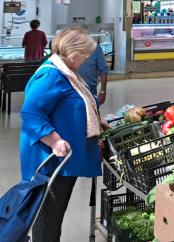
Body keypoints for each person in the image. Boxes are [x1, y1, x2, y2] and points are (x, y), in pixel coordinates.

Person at [19, 28, 111, 241]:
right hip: (51, 159)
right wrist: (54, 140)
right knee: (48, 214)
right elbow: (31, 113)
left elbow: (72, 106)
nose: (87, 59)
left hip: (65, 157)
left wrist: (97, 120)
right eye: (85, 54)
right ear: (72, 53)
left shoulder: (67, 73)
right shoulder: (51, 75)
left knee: (55, 210)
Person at [71, 24, 109, 105]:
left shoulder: (95, 48)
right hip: (71, 87)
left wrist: (103, 92)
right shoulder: (70, 48)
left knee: (90, 113)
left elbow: (103, 70)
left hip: (90, 88)